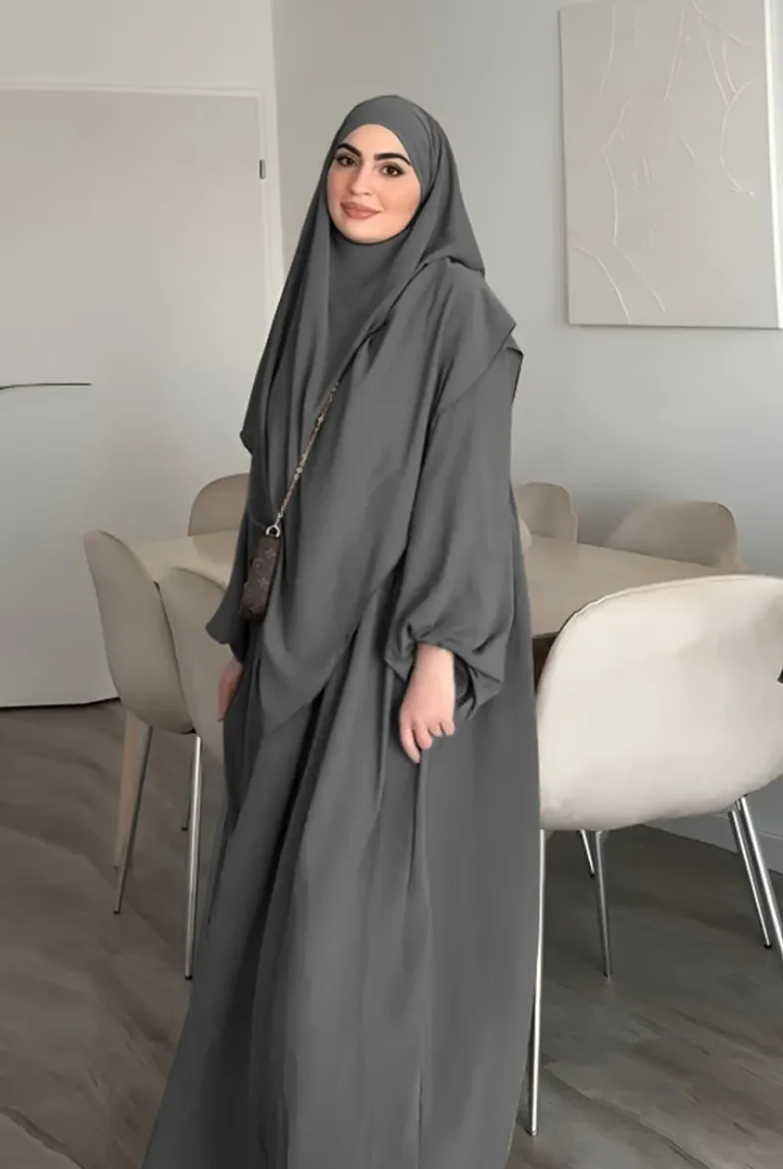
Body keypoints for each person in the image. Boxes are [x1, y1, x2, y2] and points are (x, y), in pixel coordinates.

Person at [141, 95, 539, 1169]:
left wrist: (439, 653)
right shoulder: (309, 297)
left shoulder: (459, 312)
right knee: (274, 905)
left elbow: (465, 492)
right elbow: (275, 487)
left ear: (430, 189)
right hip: (291, 644)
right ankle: (263, 1132)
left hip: (389, 647)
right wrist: (244, 637)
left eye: (392, 167)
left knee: (344, 911)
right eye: (346, 159)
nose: (362, 185)